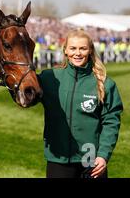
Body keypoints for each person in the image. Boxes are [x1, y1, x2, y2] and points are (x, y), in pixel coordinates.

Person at [38, 29, 123, 178]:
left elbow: (111, 122)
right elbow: (24, 92)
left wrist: (103, 155)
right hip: (58, 160)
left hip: (91, 162)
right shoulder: (49, 78)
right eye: (73, 48)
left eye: (83, 48)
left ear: (90, 51)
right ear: (65, 50)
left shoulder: (105, 84)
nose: (77, 53)